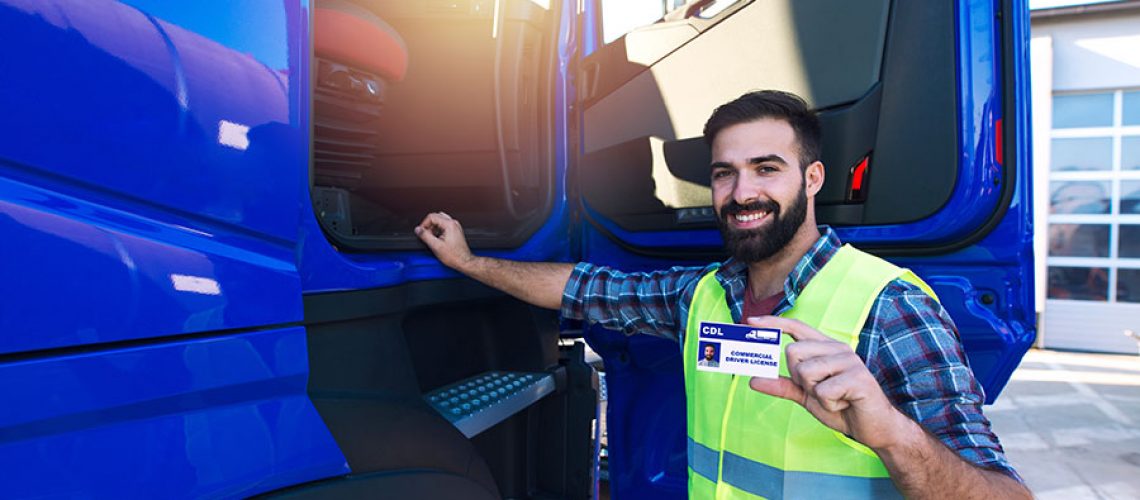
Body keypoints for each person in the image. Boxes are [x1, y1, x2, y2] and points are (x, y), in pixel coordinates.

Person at [415, 90, 1029, 499]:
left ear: (812, 178)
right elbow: (582, 288)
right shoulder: (703, 295)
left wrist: (893, 433)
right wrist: (468, 262)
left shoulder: (889, 306)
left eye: (767, 168)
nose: (741, 193)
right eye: (723, 173)